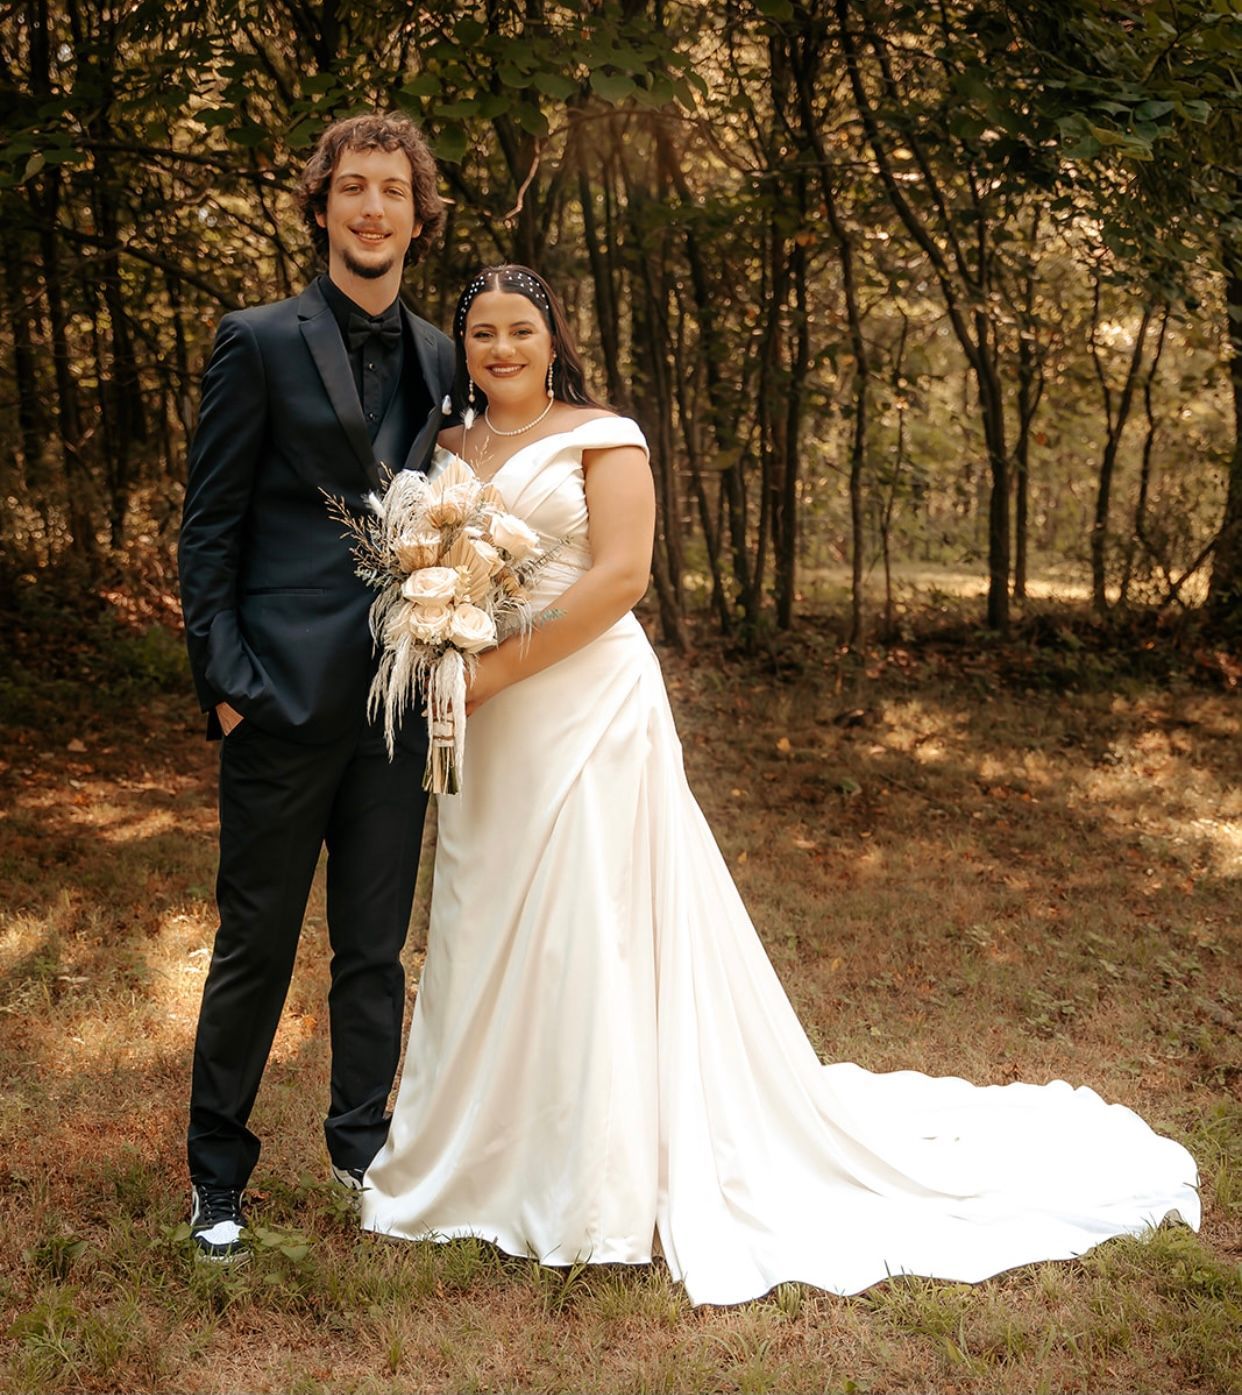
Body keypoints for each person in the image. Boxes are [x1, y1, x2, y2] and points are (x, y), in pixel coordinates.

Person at [360, 265, 1200, 1305]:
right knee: (490, 917)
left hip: (585, 703)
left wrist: (493, 670)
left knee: (588, 920)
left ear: (551, 337)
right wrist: (445, 651)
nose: (499, 349)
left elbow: (621, 580)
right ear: (462, 346)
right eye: (481, 332)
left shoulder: (606, 436)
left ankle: (587, 1176)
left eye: (519, 330)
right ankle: (479, 1152)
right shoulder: (441, 453)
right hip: (488, 723)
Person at [177, 113, 455, 1263]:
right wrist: (229, 683)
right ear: (323, 204)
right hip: (279, 700)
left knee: (375, 950)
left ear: (419, 213)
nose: (373, 209)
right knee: (256, 941)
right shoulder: (257, 339)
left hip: (396, 708)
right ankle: (218, 1177)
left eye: (393, 190)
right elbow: (210, 528)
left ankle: (360, 1153)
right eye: (354, 189)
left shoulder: (447, 356)